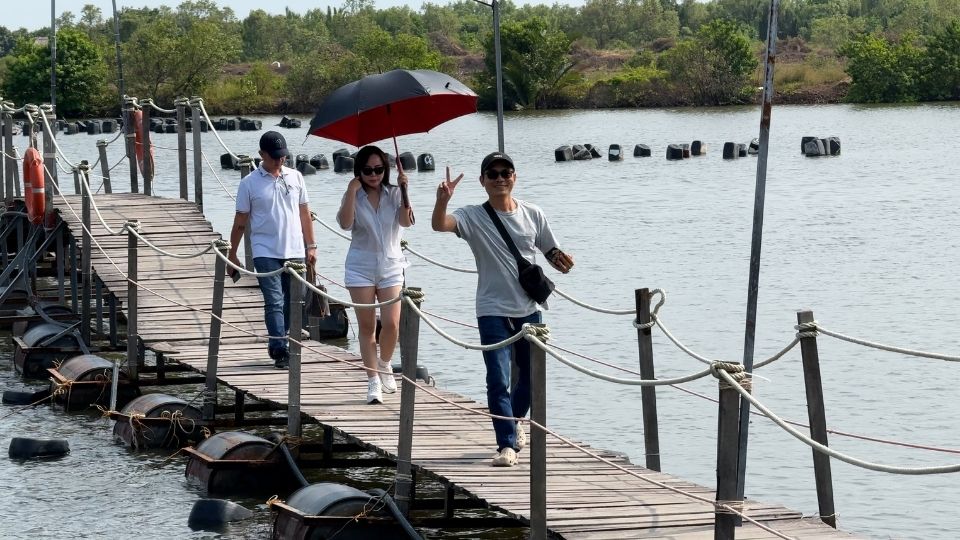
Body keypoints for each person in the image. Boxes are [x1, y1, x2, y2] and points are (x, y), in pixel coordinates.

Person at [431, 151, 575, 467]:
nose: (500, 179)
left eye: (505, 173)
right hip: (491, 309)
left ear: (514, 177)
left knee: (533, 378)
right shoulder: (472, 216)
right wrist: (443, 199)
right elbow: (440, 225)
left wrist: (562, 263)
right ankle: (506, 446)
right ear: (483, 181)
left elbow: (551, 251)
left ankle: (514, 421)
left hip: (528, 308)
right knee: (497, 377)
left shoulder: (533, 213)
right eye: (492, 174)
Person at [228, 131, 317, 369]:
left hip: (295, 249)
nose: (280, 161)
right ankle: (280, 349)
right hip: (265, 250)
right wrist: (232, 253)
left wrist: (312, 245)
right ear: (262, 155)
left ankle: (280, 338)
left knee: (294, 300)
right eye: (275, 157)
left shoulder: (296, 177)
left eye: (283, 156)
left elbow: (305, 214)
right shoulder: (249, 183)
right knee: (274, 301)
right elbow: (240, 221)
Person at [337, 145, 414, 404]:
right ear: (359, 171)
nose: (374, 175)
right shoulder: (354, 196)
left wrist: (404, 190)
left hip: (391, 266)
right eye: (368, 170)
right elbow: (346, 223)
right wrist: (351, 190)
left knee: (392, 324)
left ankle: (386, 363)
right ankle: (372, 382)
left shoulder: (393, 193)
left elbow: (406, 222)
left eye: (379, 169)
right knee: (367, 327)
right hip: (361, 267)